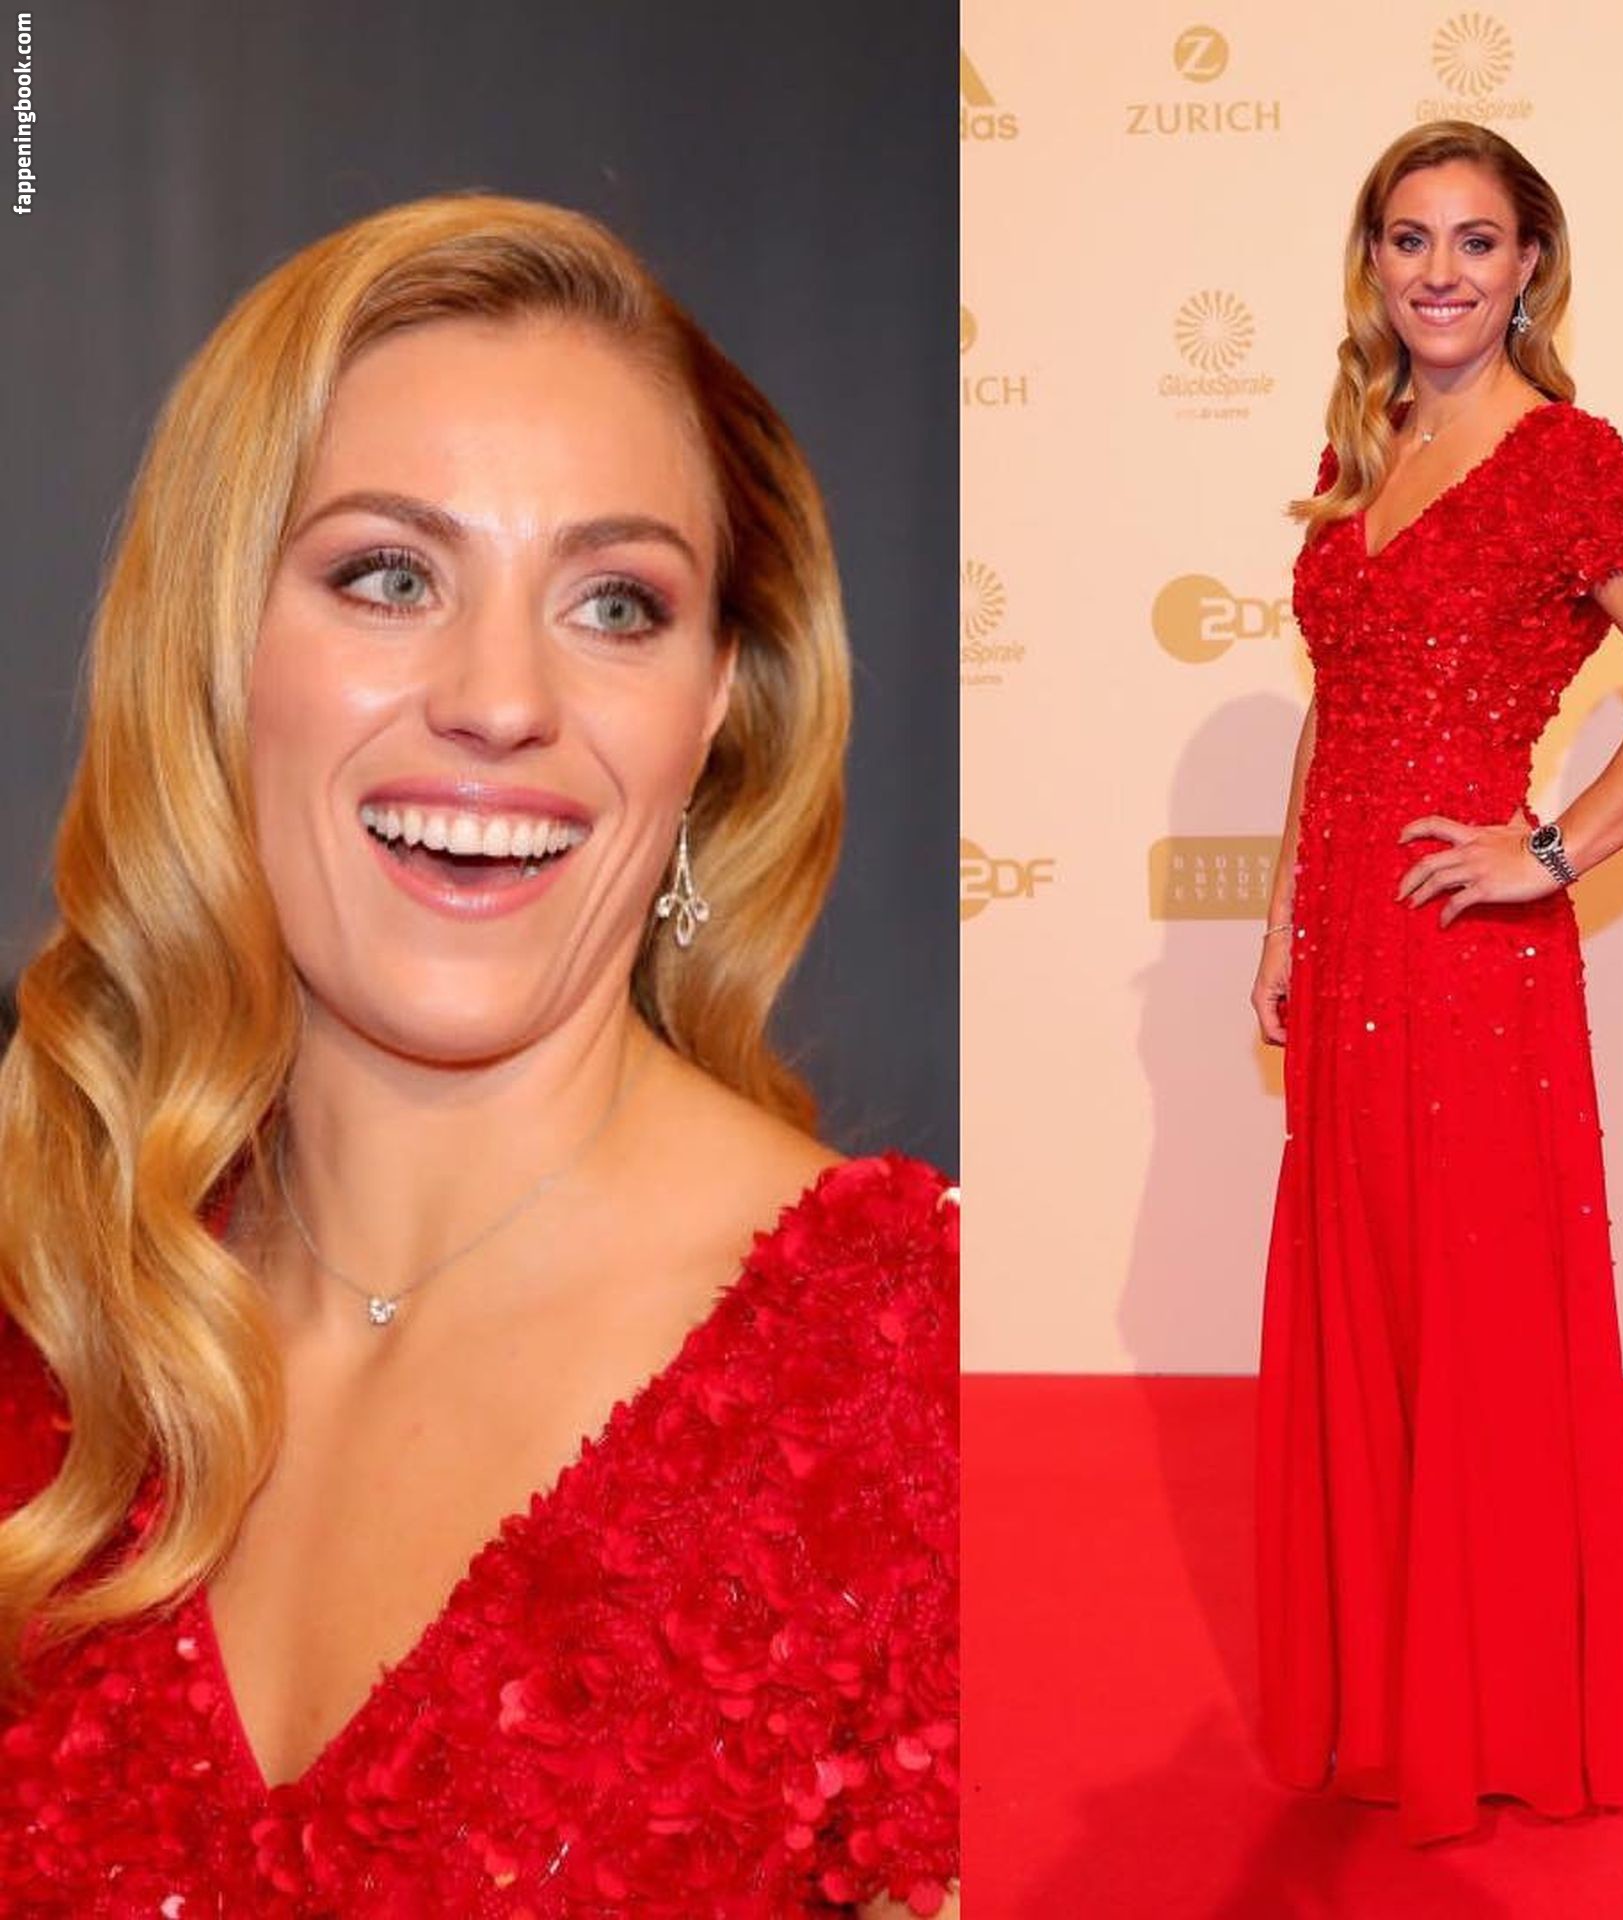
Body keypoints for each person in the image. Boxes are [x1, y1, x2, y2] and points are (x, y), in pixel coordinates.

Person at [0, 193, 958, 1917]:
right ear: (214, 652)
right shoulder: (53, 1302)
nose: (500, 699)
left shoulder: (921, 1380)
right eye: (388, 576)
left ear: (717, 705)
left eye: (617, 605)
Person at [1249, 122, 1623, 1845]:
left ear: (1529, 264)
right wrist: (1281, 921)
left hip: (1468, 965)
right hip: (1349, 942)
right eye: (1411, 240)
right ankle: (1394, 1692)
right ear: (1374, 263)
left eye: (1477, 242)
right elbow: (1340, 701)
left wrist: (1550, 848)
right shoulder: (1368, 441)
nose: (1442, 273)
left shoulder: (1564, 460)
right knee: (1378, 1315)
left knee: (1473, 1329)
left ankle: (1499, 1706)